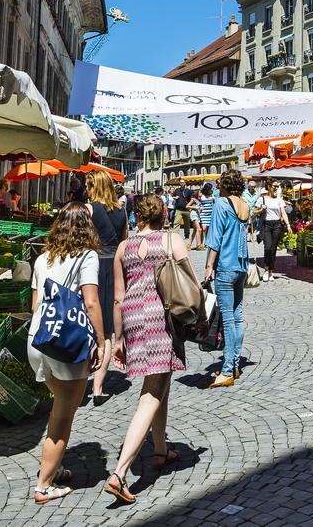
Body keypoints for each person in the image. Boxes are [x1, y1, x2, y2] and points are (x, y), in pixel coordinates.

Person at [103, 193, 192, 505]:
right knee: (151, 392)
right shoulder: (172, 241)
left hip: (133, 319)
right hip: (160, 321)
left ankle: (158, 449)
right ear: (163, 213)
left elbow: (117, 296)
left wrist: (117, 339)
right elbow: (189, 284)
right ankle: (120, 472)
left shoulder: (124, 248)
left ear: (136, 216)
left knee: (159, 383)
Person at [26, 202, 106, 504]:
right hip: (67, 343)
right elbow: (91, 302)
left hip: (38, 339)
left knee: (58, 405)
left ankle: (55, 466)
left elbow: (35, 305)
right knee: (63, 416)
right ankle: (44, 485)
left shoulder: (43, 258)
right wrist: (100, 340)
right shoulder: (87, 257)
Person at [204, 169, 250, 388]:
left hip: (226, 265)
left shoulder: (222, 204)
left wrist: (208, 265)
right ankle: (235, 364)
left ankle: (227, 370)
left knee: (229, 319)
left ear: (224, 185)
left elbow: (215, 237)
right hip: (242, 265)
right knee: (238, 316)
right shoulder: (244, 205)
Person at [85, 169, 127, 406]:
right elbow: (124, 241)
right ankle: (98, 388)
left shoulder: (90, 209)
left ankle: (81, 383)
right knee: (109, 330)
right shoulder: (122, 210)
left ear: (94, 187)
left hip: (93, 265)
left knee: (89, 321)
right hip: (114, 267)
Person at [255, 181, 287, 281]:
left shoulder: (279, 200)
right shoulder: (262, 198)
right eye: (274, 186)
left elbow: (283, 213)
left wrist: (288, 225)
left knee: (273, 249)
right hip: (266, 225)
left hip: (277, 225)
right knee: (268, 247)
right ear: (269, 187)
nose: (276, 188)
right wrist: (261, 209)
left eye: (278, 186)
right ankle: (266, 270)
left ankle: (271, 271)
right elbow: (254, 211)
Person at [195, 182, 215, 252]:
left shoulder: (212, 194)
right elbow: (197, 202)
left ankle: (207, 243)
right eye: (210, 189)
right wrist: (199, 207)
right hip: (203, 213)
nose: (211, 190)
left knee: (209, 229)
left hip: (211, 213)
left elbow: (214, 202)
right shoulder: (201, 194)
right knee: (204, 228)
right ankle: (201, 243)